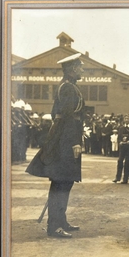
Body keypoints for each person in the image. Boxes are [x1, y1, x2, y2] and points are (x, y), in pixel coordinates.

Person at [26, 53, 85, 239]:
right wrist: (74, 141)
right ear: (73, 69)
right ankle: (55, 226)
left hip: (64, 140)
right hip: (66, 142)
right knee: (61, 183)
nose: (82, 70)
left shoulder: (68, 87)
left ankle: (61, 221)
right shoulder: (67, 88)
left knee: (64, 182)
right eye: (81, 67)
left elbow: (55, 114)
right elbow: (67, 117)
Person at [112, 114, 129, 184]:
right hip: (122, 147)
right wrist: (120, 142)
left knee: (127, 162)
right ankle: (117, 177)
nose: (126, 120)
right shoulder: (121, 128)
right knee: (120, 161)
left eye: (128, 118)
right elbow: (119, 137)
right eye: (125, 119)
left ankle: (125, 179)